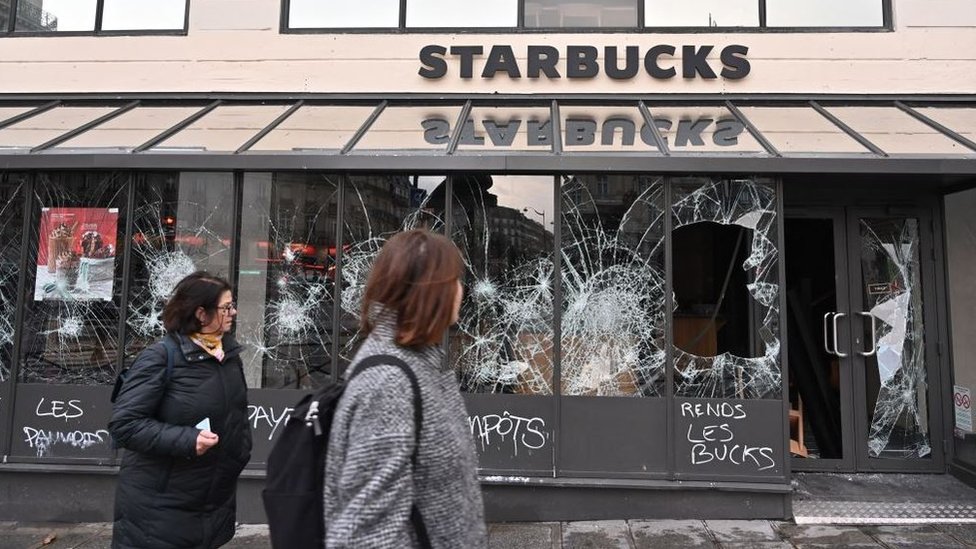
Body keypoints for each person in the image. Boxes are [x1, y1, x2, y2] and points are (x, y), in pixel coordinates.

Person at [324, 229, 487, 548]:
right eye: (454, 280)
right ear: (432, 290)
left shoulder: (414, 363)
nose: (461, 290)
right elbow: (365, 535)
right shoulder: (389, 382)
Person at [109, 271, 252, 549]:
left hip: (210, 502)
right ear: (201, 313)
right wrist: (187, 440)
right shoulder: (161, 357)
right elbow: (124, 425)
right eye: (226, 307)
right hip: (160, 509)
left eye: (232, 305)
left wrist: (241, 450)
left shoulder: (228, 357)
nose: (233, 312)